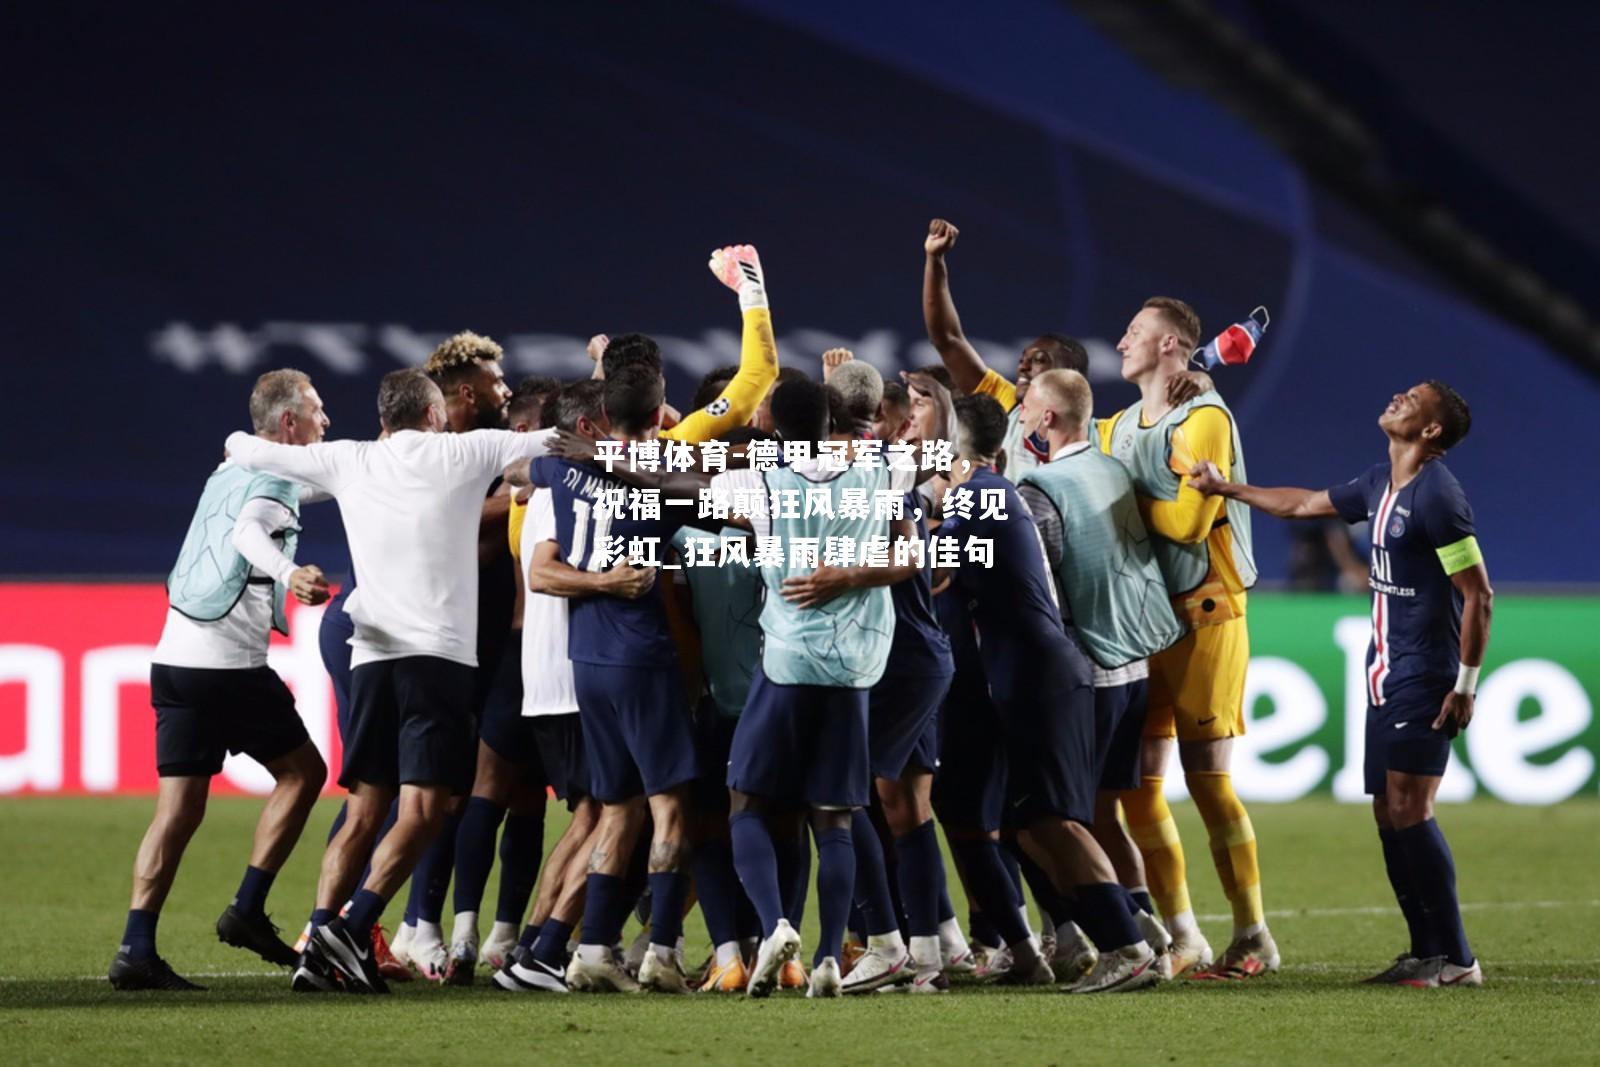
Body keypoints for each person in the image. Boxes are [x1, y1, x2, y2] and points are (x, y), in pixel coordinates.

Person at [225, 368, 557, 994]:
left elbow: (251, 450)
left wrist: (238, 445)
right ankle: (351, 930)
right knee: (429, 809)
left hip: (370, 655)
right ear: (434, 414)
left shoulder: (351, 459)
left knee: (364, 807)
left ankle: (317, 941)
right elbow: (555, 442)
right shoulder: (465, 450)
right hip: (437, 659)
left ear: (385, 417)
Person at [1189, 380, 1490, 988]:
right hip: (1382, 669)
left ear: (1432, 431)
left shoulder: (1439, 496)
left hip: (1425, 673)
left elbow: (1477, 593)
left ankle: (1455, 958)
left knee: (1413, 807)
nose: (1398, 398)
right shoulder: (1379, 482)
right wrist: (1227, 489)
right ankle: (1423, 950)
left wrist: (1464, 683)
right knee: (1387, 811)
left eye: (1414, 400)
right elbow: (1302, 505)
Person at [109, 370, 332, 991]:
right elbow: (248, 533)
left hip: (175, 660)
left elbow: (299, 493)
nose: (326, 420)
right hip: (228, 668)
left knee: (176, 810)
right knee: (305, 773)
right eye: (317, 411)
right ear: (287, 423)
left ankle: (136, 947)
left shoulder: (230, 470)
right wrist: (289, 575)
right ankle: (247, 909)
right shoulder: (270, 479)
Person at [708, 378, 924, 999]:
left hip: (788, 661)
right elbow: (913, 557)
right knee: (835, 817)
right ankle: (829, 957)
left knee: (745, 803)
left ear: (773, 422)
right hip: (853, 668)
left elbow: (690, 492)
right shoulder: (880, 476)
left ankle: (776, 925)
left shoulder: (758, 482)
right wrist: (853, 573)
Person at [937, 394, 1160, 993]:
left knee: (1055, 821)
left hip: (1042, 677)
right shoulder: (986, 491)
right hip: (1026, 676)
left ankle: (1128, 944)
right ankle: (1117, 935)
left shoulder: (978, 492)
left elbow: (929, 570)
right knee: (1029, 826)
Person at [1096, 296, 1276, 979]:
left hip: (1207, 616)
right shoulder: (1115, 428)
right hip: (1144, 625)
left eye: (1135, 331)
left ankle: (1253, 933)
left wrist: (1123, 503)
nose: (1121, 340)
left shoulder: (1205, 417)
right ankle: (1184, 934)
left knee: (1208, 783)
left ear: (1171, 344)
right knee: (1139, 788)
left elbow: (1190, 523)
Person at [519, 364, 701, 995]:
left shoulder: (560, 468)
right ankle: (662, 954)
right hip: (643, 659)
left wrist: (589, 456)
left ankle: (593, 949)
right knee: (671, 807)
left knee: (617, 808)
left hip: (587, 662)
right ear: (659, 417)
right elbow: (718, 499)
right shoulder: (661, 489)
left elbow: (523, 476)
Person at [1014, 369, 1188, 981]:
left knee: (1054, 819)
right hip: (1135, 663)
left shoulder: (1040, 486)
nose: (1019, 417)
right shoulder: (1113, 469)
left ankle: (1119, 943)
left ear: (1048, 419)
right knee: (1103, 813)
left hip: (1085, 668)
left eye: (1027, 408)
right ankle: (1149, 930)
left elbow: (1037, 578)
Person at [495, 381, 641, 996]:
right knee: (615, 814)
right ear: (587, 429)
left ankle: (533, 948)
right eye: (606, 420)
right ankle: (549, 945)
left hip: (555, 676)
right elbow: (543, 573)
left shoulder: (554, 485)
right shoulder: (564, 489)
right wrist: (610, 581)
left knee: (589, 817)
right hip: (571, 675)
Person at [921, 218, 1088, 480]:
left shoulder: (1100, 438)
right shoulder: (1007, 403)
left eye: (1039, 360)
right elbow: (947, 339)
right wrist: (935, 259)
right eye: (1023, 359)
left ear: (1069, 377)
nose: (1022, 366)